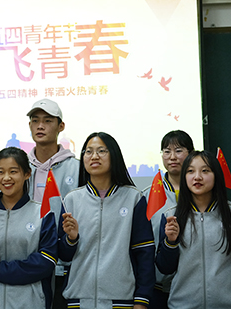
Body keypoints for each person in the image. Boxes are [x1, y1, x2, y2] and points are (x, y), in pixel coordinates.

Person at [58, 132, 154, 309]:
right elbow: (63, 255)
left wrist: (142, 299)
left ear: (114, 156)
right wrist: (71, 239)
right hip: (78, 300)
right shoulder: (71, 200)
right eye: (88, 151)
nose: (94, 156)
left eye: (101, 151)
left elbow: (144, 253)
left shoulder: (133, 198)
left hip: (121, 301)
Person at [155, 150, 231, 309]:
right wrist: (170, 242)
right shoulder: (171, 216)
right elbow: (165, 267)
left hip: (227, 305)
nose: (197, 177)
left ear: (216, 175)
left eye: (205, 171)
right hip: (182, 305)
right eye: (190, 171)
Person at [0, 147, 58, 309]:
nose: (6, 178)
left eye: (13, 171)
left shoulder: (42, 213)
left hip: (30, 301)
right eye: (0, 172)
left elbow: (46, 261)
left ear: (27, 174)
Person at [25, 99, 79, 308]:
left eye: (47, 121)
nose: (40, 126)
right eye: (35, 120)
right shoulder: (20, 166)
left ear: (61, 126)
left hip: (64, 261)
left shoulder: (76, 168)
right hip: (27, 257)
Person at [143, 130, 194, 308]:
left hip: (192, 286)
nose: (172, 157)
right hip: (157, 286)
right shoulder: (148, 196)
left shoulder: (201, 192)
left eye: (178, 151)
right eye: (167, 151)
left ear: (191, 153)